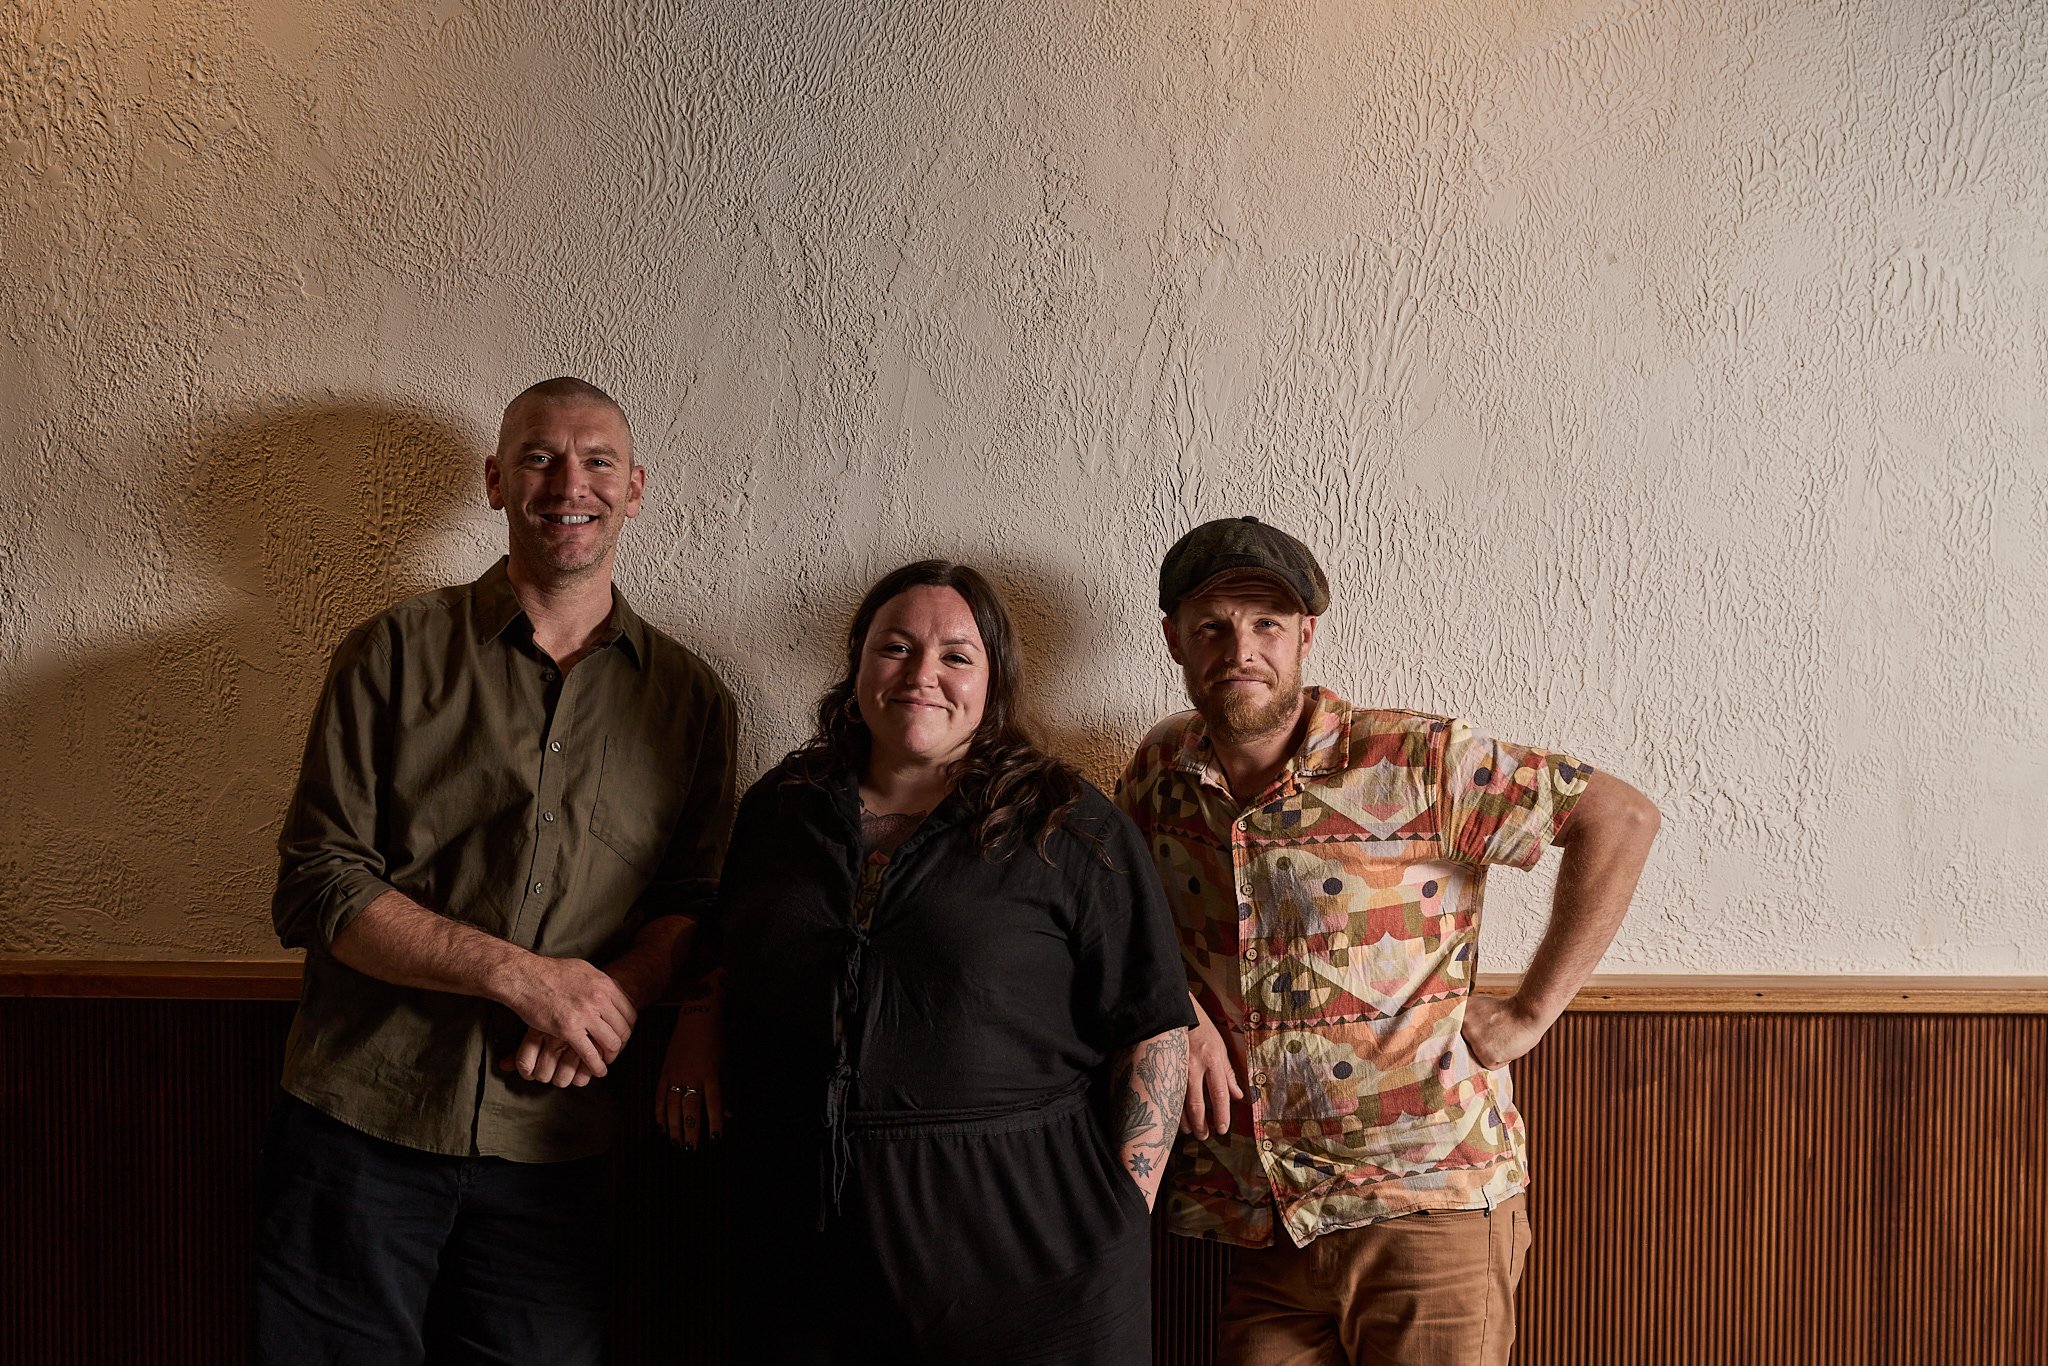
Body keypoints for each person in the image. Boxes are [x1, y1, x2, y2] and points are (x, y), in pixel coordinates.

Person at [253, 377, 737, 1365]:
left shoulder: (689, 699)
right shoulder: (391, 652)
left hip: (555, 1150)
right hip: (362, 1122)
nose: (570, 482)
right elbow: (318, 879)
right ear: (495, 481)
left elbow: (692, 904)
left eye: (598, 459)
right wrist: (524, 978)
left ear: (635, 488)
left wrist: (609, 995)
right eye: (538, 456)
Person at [1116, 516, 1662, 1366]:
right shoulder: (1159, 770)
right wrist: (1175, 1007)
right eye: (1213, 625)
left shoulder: (1417, 759)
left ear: (1305, 635)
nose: (1241, 647)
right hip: (1267, 1220)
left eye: (1266, 623)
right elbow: (1123, 908)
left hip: (1427, 1206)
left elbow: (1619, 819)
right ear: (1174, 640)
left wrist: (1530, 1014)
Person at [658, 560, 1192, 1365]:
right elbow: (733, 946)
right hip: (812, 1254)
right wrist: (695, 1028)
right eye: (896, 648)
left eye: (956, 656)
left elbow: (1152, 1025)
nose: (922, 676)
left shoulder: (1066, 822)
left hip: (1032, 1261)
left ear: (994, 679)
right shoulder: (782, 808)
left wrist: (1123, 1207)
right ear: (859, 664)